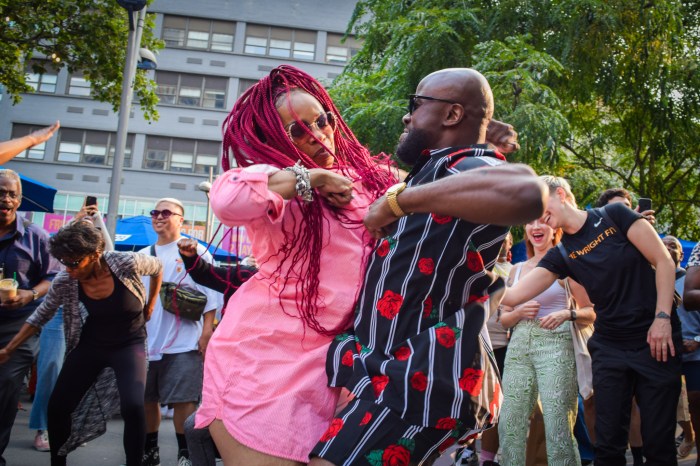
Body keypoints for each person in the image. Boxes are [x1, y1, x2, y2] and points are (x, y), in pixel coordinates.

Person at [306, 68, 545, 466]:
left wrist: (397, 203)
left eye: (416, 105)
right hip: (393, 375)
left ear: (451, 116)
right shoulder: (437, 170)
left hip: (422, 378)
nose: (407, 116)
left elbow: (527, 191)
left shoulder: (464, 164)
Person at [501, 175, 680, 466]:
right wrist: (471, 276)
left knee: (658, 444)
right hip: (609, 346)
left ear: (559, 194)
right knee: (608, 446)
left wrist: (662, 318)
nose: (538, 218)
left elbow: (664, 261)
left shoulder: (615, 215)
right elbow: (511, 296)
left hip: (653, 338)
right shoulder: (561, 254)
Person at [0, 221, 163, 465]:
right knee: (58, 407)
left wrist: (150, 304)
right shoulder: (65, 281)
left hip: (130, 344)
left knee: (133, 407)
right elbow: (40, 315)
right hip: (90, 346)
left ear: (96, 254)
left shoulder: (124, 262)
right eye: (63, 262)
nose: (68, 269)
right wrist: (9, 349)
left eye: (74, 262)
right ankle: (58, 461)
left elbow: (158, 267)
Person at [497, 216, 595, 466]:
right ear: (525, 229)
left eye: (543, 221)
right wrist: (518, 313)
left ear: (555, 229)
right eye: (530, 222)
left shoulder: (567, 264)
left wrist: (567, 314)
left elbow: (592, 311)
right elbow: (503, 319)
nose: (536, 227)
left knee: (557, 424)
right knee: (509, 423)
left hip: (557, 345)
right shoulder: (517, 269)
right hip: (519, 347)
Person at [140, 198, 223, 466]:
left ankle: (184, 454)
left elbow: (212, 294)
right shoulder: (143, 255)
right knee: (147, 398)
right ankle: (149, 451)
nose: (159, 216)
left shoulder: (193, 250)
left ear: (180, 220)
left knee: (184, 400)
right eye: (155, 212)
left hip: (185, 341)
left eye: (166, 212)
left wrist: (207, 333)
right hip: (147, 341)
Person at [28, 201, 114, 452]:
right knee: (51, 368)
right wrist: (77, 218)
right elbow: (55, 247)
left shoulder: (99, 255)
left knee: (83, 375)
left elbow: (108, 247)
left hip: (87, 315)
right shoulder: (66, 252)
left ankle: (72, 427)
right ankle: (42, 428)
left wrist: (98, 219)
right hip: (58, 312)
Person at [0, 168, 59, 466]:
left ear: (20, 199)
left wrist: (31, 294)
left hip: (19, 325)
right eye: (1, 192)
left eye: (12, 194)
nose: (5, 199)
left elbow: (52, 277)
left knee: (6, 387)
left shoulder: (36, 236)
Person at [665, 235, 699, 461]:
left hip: (696, 350)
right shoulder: (655, 281)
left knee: (696, 401)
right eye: (663, 244)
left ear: (682, 254)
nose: (668, 248)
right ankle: (688, 435)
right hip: (669, 351)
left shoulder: (690, 280)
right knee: (671, 403)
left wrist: (698, 338)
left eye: (673, 246)